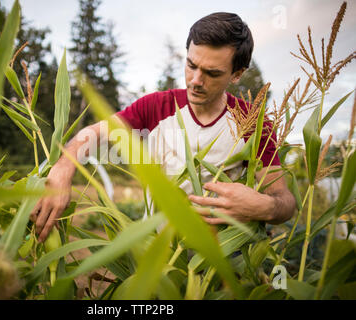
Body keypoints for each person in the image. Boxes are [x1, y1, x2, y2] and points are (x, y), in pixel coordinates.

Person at [30, 12, 296, 242]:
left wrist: (265, 207)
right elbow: (94, 133)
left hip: (222, 264)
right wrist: (63, 167)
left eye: (212, 73)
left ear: (237, 74)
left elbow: (284, 200)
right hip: (159, 254)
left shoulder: (252, 122)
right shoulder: (157, 106)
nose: (195, 80)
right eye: (191, 65)